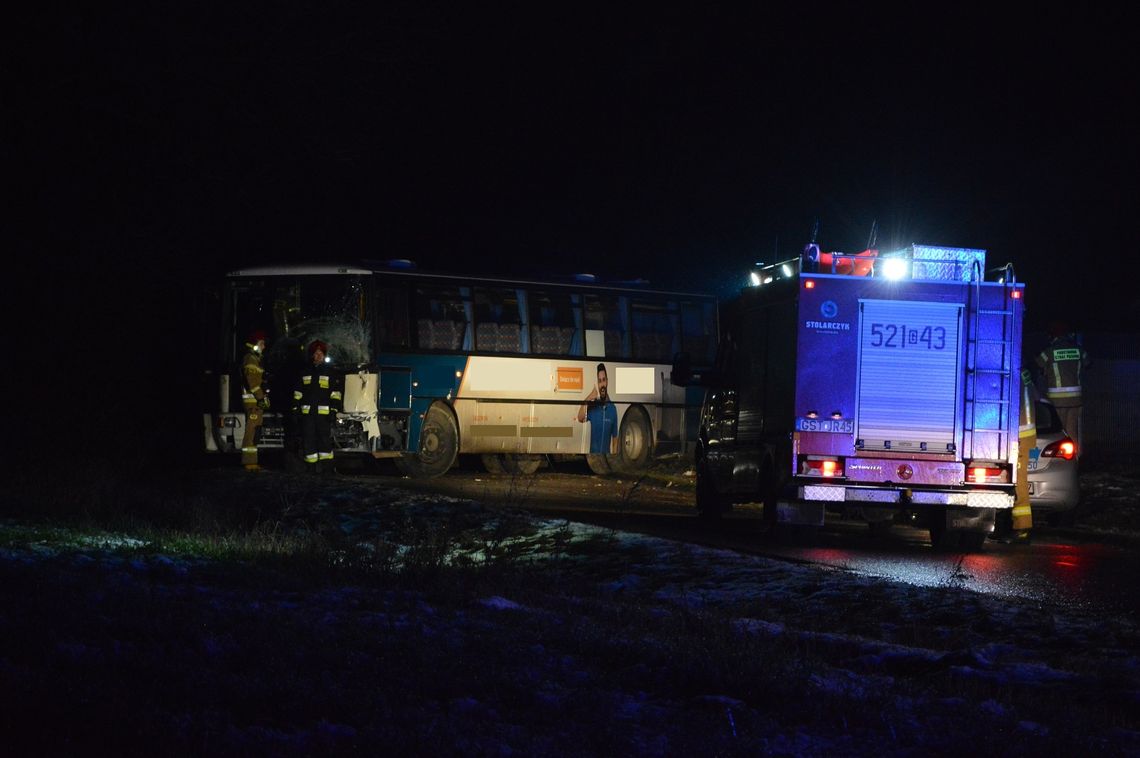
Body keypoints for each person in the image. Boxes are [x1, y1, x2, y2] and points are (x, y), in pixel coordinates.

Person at [1035, 321, 1090, 450]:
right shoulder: (1078, 349)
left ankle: (1062, 461)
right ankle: (1075, 460)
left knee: (1060, 434)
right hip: (1076, 401)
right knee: (1072, 431)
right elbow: (1089, 364)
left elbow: (1038, 365)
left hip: (1057, 401)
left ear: (1053, 336)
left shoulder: (1049, 352)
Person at [293, 340, 343, 474]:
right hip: (307, 414)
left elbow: (336, 394)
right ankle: (311, 469)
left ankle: (327, 469)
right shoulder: (304, 372)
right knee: (308, 440)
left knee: (324, 441)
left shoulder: (330, 372)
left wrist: (334, 410)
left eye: (321, 353)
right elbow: (297, 393)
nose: (319, 355)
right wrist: (295, 409)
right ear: (312, 355)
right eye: (316, 353)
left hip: (324, 415)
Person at [1008, 368, 1039, 543]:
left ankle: (1022, 528)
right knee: (1018, 480)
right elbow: (1037, 397)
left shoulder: (1012, 374)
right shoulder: (1025, 373)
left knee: (1019, 482)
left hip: (1020, 436)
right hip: (1026, 435)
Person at [240, 330, 270, 471]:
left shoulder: (255, 359)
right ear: (254, 345)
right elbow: (253, 382)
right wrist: (261, 398)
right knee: (251, 432)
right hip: (253, 403)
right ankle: (249, 463)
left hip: (255, 402)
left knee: (255, 432)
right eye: (262, 344)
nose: (264, 346)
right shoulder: (251, 359)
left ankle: (252, 462)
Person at [577, 362, 618, 455]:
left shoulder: (613, 409)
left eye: (603, 380)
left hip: (606, 459)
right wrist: (589, 398)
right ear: (598, 383)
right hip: (593, 458)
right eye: (599, 381)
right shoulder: (593, 406)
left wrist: (613, 459)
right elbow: (580, 418)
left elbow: (615, 439)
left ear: (607, 381)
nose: (602, 384)